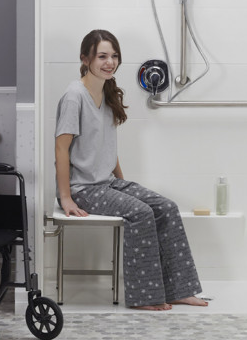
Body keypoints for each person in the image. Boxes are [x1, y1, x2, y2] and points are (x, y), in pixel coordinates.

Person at [55, 29, 208, 311]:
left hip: (108, 184)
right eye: (102, 56)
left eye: (114, 56)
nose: (109, 62)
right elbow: (61, 149)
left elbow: (107, 148)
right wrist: (66, 197)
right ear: (85, 58)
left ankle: (178, 289)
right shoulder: (74, 95)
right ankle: (145, 296)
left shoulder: (107, 91)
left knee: (167, 207)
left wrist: (125, 187)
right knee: (141, 213)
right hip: (84, 189)